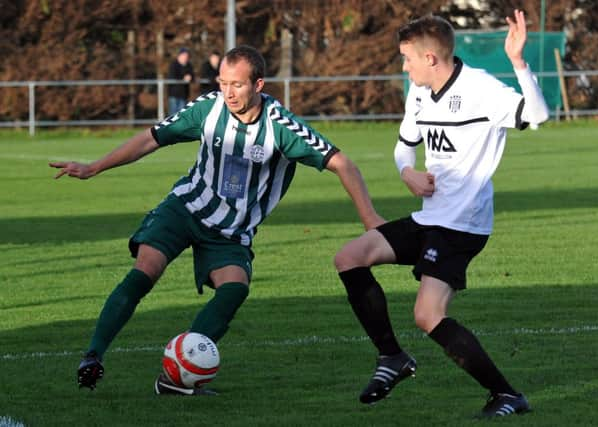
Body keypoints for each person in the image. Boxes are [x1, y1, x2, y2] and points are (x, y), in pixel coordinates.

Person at [49, 45, 383, 395]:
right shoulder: (209, 108)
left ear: (258, 84)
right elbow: (152, 138)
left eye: (237, 85)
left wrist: (369, 217)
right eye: (222, 82)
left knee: (234, 288)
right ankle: (92, 356)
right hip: (187, 208)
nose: (228, 92)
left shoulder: (282, 127)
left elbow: (342, 163)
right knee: (146, 268)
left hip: (231, 231)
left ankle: (177, 376)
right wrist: (94, 167)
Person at [333, 10, 548, 417]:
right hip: (430, 216)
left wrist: (518, 62)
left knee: (427, 315)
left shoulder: (480, 88)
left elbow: (536, 115)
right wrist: (407, 172)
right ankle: (392, 358)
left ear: (430, 58)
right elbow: (403, 145)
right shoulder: (418, 92)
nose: (404, 65)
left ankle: (506, 394)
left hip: (463, 225)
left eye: (407, 58)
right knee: (349, 258)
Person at [167, 47, 194, 115]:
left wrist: (190, 77)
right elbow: (172, 76)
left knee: (182, 115)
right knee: (173, 115)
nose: (185, 57)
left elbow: (193, 76)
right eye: (184, 55)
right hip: (174, 94)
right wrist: (183, 78)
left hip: (184, 94)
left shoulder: (189, 65)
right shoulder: (173, 65)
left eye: (186, 56)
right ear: (180, 55)